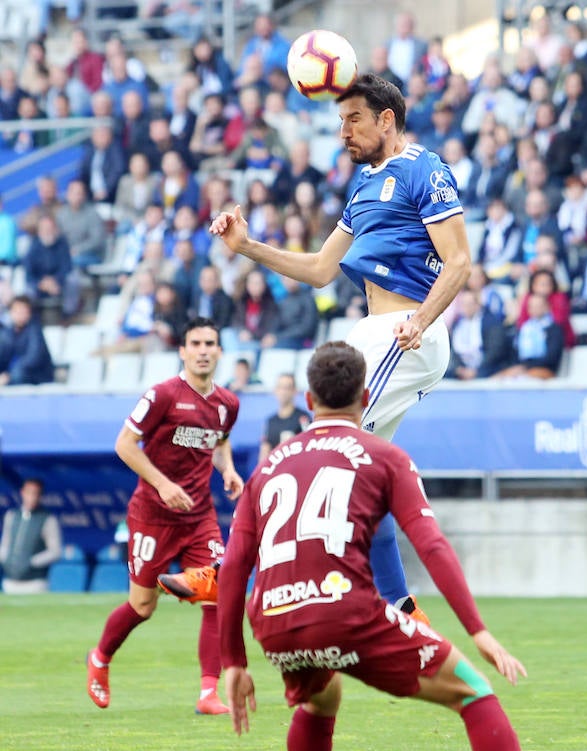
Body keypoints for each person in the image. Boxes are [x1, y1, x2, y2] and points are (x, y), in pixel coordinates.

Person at [216, 340, 587, 751]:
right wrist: (478, 630)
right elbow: (430, 542)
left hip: (274, 619)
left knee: (320, 700)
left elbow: (233, 568)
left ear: (307, 400)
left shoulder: (268, 468)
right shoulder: (384, 455)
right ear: (367, 397)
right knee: (473, 690)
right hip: (345, 610)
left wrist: (231, 661)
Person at [163, 73, 469, 617]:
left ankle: (230, 574)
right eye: (339, 122)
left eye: (353, 120)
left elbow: (460, 261)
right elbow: (322, 269)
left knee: (313, 451)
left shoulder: (425, 168)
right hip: (379, 332)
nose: (343, 132)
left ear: (386, 120)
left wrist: (420, 320)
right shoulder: (363, 186)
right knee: (360, 474)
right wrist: (247, 246)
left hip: (404, 332)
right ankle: (404, 614)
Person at [86, 317, 244, 715]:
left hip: (198, 515)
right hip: (153, 515)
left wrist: (227, 470)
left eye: (211, 342)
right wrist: (162, 484)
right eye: (196, 343)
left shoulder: (228, 404)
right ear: (183, 350)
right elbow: (124, 445)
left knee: (217, 595)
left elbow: (219, 444)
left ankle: (208, 693)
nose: (204, 350)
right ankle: (100, 658)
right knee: (142, 606)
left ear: (220, 350)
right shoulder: (162, 395)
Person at [0, 478, 62, 594]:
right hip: (10, 581)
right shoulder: (12, 516)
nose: (32, 497)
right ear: (22, 493)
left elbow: (55, 551)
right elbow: (5, 544)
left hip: (35, 582)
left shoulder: (47, 519)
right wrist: (8, 561)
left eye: (36, 493)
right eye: (29, 492)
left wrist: (31, 562)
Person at [0, 295, 55, 386]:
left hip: (37, 376)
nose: (19, 314)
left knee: (18, 373)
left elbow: (33, 358)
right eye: (16, 311)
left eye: (23, 311)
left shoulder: (35, 330)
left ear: (29, 313)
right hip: (14, 373)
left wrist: (9, 375)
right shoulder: (7, 332)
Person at [258, 372, 310, 462]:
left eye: (287, 388)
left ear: (294, 391)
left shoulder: (303, 418)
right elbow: (264, 452)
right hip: (275, 471)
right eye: (280, 387)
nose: (283, 392)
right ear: (275, 390)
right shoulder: (270, 421)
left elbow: (310, 447)